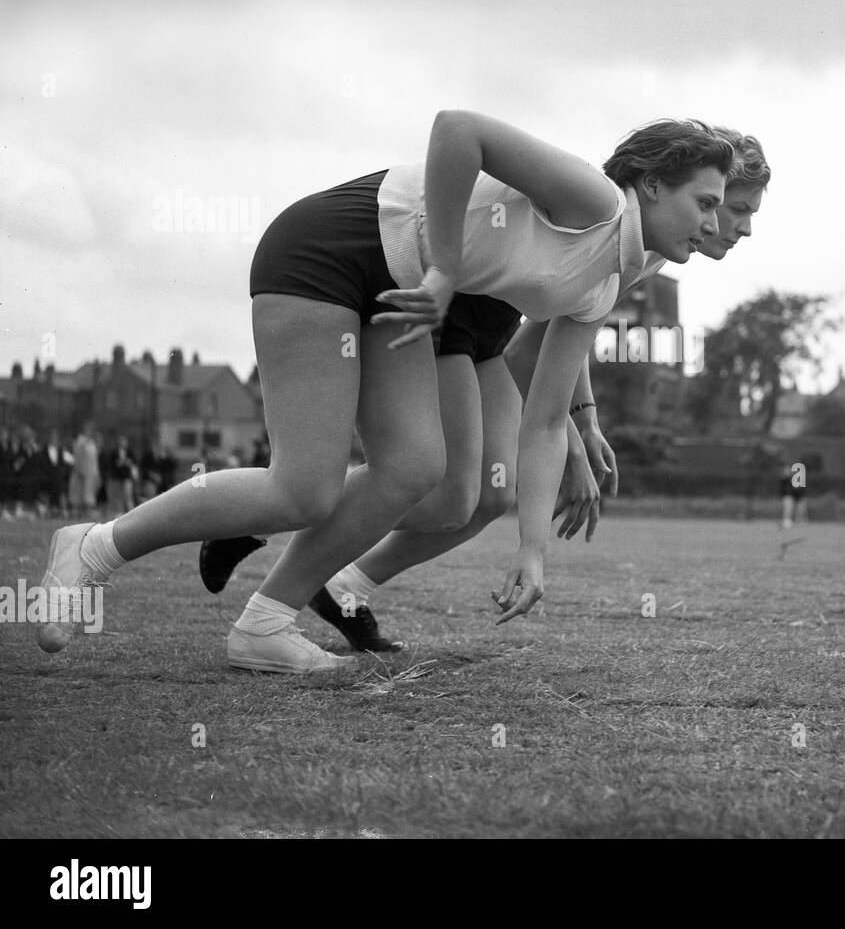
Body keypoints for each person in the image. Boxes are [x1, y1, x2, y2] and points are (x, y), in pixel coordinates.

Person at [35, 111, 732, 673]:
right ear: (650, 185)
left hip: (392, 293)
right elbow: (459, 129)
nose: (714, 222)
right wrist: (447, 271)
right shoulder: (594, 201)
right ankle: (92, 547)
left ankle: (264, 627)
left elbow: (545, 425)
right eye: (705, 202)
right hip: (327, 253)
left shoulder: (605, 283)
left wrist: (532, 552)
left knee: (416, 471)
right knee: (301, 489)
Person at [201, 128, 770, 651]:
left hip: (489, 327)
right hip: (459, 309)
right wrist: (571, 434)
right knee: (431, 480)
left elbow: (568, 326)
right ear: (680, 190)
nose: (737, 226)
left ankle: (344, 585)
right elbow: (533, 351)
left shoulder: (650, 248)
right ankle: (274, 514)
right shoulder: (621, 217)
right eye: (730, 207)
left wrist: (585, 418)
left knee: (486, 494)